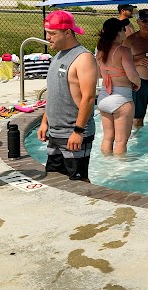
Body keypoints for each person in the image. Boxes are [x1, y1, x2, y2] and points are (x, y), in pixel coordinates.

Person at [38, 10, 98, 181]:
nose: (48, 37)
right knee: (54, 180)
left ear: (67, 33)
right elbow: (54, 93)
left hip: (74, 133)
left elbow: (88, 97)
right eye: (47, 32)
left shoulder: (83, 58)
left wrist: (78, 131)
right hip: (55, 133)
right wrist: (45, 122)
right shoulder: (57, 56)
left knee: (78, 183)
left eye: (52, 33)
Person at [95, 18, 141, 155]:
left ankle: (106, 164)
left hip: (104, 97)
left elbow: (99, 73)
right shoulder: (123, 51)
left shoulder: (100, 51)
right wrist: (138, 83)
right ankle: (120, 167)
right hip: (121, 98)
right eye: (123, 29)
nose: (125, 32)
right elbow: (132, 74)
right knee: (121, 141)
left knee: (107, 138)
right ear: (118, 32)